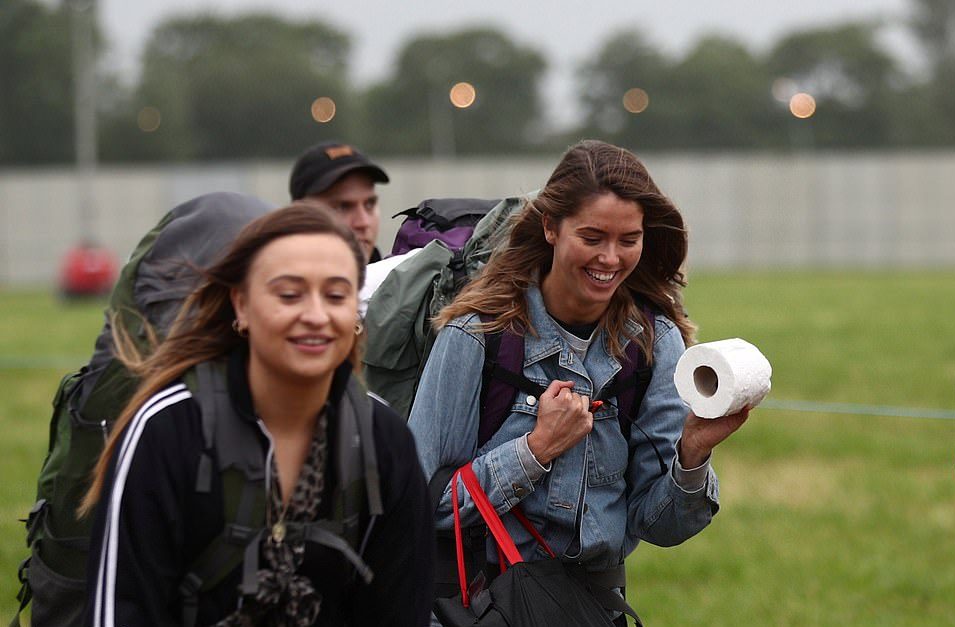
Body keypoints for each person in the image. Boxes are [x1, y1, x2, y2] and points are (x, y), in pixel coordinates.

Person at [408, 140, 750, 625]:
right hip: (478, 609)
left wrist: (692, 454)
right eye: (592, 237)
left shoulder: (653, 343)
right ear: (551, 226)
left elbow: (662, 525)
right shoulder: (477, 336)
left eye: (628, 240)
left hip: (587, 611)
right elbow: (419, 506)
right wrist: (535, 449)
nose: (610, 258)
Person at [81, 204, 434, 626]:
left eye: (337, 295)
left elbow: (401, 610)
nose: (317, 316)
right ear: (242, 306)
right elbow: (120, 610)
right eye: (289, 294)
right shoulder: (165, 430)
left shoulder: (385, 440)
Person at [289, 141, 389, 262]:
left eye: (369, 205)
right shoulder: (267, 277)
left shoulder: (397, 278)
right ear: (299, 215)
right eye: (343, 207)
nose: (363, 223)